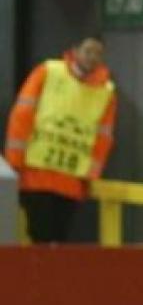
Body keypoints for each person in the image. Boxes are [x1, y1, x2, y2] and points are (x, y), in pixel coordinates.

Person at [4, 36, 117, 243]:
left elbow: (103, 139)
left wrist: (90, 177)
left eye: (98, 53)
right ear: (75, 50)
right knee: (41, 237)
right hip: (36, 176)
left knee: (58, 242)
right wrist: (14, 165)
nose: (92, 57)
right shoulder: (49, 72)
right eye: (88, 51)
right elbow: (21, 117)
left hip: (70, 183)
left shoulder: (106, 92)